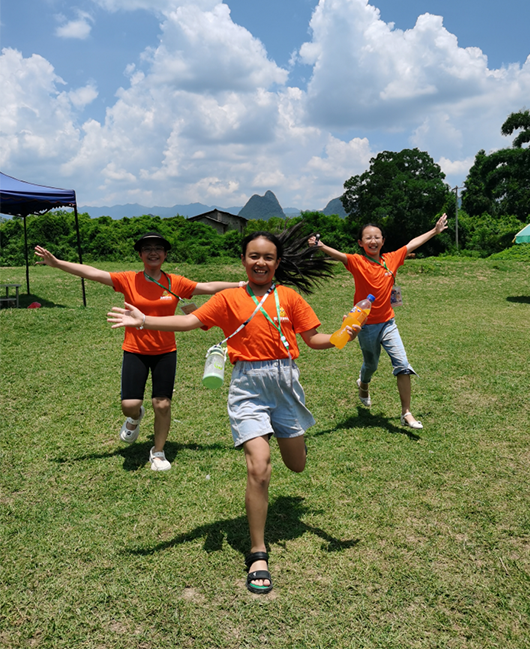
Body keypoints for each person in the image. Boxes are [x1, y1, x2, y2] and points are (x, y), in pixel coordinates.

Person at [107, 229, 360, 594]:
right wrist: (145, 321)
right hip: (248, 388)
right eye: (254, 256)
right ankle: (258, 552)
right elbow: (190, 322)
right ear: (244, 260)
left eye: (268, 257)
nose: (261, 262)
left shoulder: (290, 297)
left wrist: (346, 332)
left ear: (277, 262)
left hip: (285, 385)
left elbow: (317, 341)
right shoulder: (228, 299)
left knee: (296, 465)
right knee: (259, 466)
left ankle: (293, 441)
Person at [35, 232, 243, 471]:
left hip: (166, 351)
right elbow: (91, 272)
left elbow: (207, 287)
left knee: (162, 404)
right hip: (135, 350)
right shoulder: (128, 279)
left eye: (158, 248)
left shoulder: (176, 282)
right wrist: (58, 263)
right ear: (140, 255)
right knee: (129, 405)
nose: (153, 252)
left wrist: (239, 285)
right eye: (147, 249)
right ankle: (135, 417)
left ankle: (158, 452)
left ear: (165, 254)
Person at [308, 215, 448, 429]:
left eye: (377, 237)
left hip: (388, 323)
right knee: (371, 364)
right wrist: (321, 245)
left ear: (383, 241)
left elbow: (412, 244)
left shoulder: (391, 258)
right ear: (360, 243)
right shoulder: (357, 261)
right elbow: (339, 256)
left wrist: (434, 231)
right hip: (365, 326)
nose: (372, 241)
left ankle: (406, 413)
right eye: (368, 238)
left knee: (402, 364)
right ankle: (363, 383)